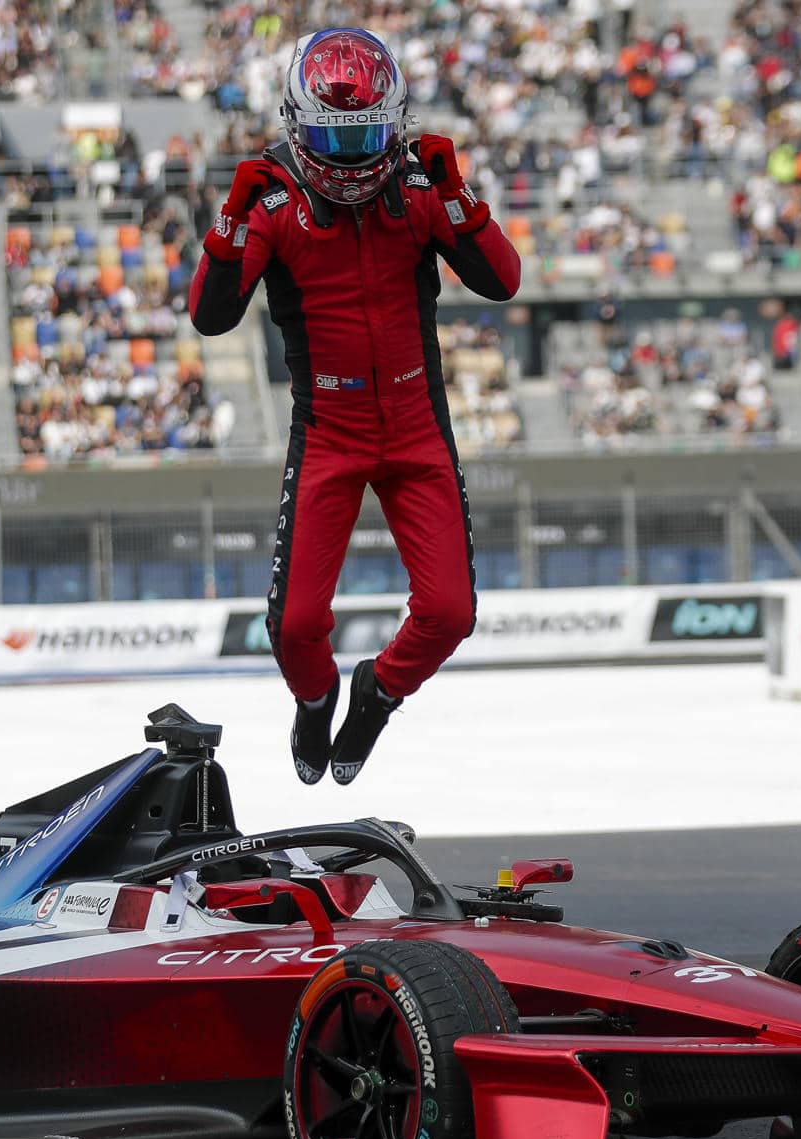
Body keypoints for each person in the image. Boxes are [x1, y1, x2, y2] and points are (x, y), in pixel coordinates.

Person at [190, 28, 521, 786]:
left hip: (416, 428)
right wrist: (229, 221)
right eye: (333, 140)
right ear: (296, 124)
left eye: (368, 136)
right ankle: (317, 700)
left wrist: (460, 194)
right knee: (295, 627)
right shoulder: (270, 198)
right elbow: (210, 317)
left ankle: (375, 695)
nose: (350, 159)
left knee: (451, 613)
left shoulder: (417, 186)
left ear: (396, 122)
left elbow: (502, 281)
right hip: (329, 433)